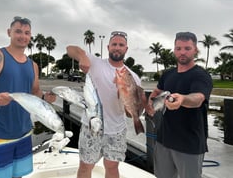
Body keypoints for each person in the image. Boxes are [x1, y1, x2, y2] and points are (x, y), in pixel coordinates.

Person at [0, 16, 56, 178]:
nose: (23, 36)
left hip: (24, 133)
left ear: (30, 36)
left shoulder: (33, 65)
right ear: (9, 32)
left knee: (18, 175)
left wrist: (44, 97)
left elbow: (34, 92)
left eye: (27, 33)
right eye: (18, 31)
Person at [67, 31, 147, 178]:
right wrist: (83, 56)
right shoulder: (95, 63)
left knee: (112, 166)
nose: (117, 47)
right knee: (85, 165)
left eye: (121, 45)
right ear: (108, 47)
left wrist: (130, 105)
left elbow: (130, 114)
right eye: (114, 44)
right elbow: (70, 49)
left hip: (117, 129)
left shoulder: (133, 77)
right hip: (92, 125)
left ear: (126, 49)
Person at [146, 32, 213, 178]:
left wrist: (182, 99)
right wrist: (150, 103)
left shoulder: (201, 75)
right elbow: (157, 91)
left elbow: (198, 98)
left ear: (195, 50)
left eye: (187, 48)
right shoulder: (168, 74)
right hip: (163, 140)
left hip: (189, 144)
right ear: (174, 50)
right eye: (179, 48)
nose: (182, 52)